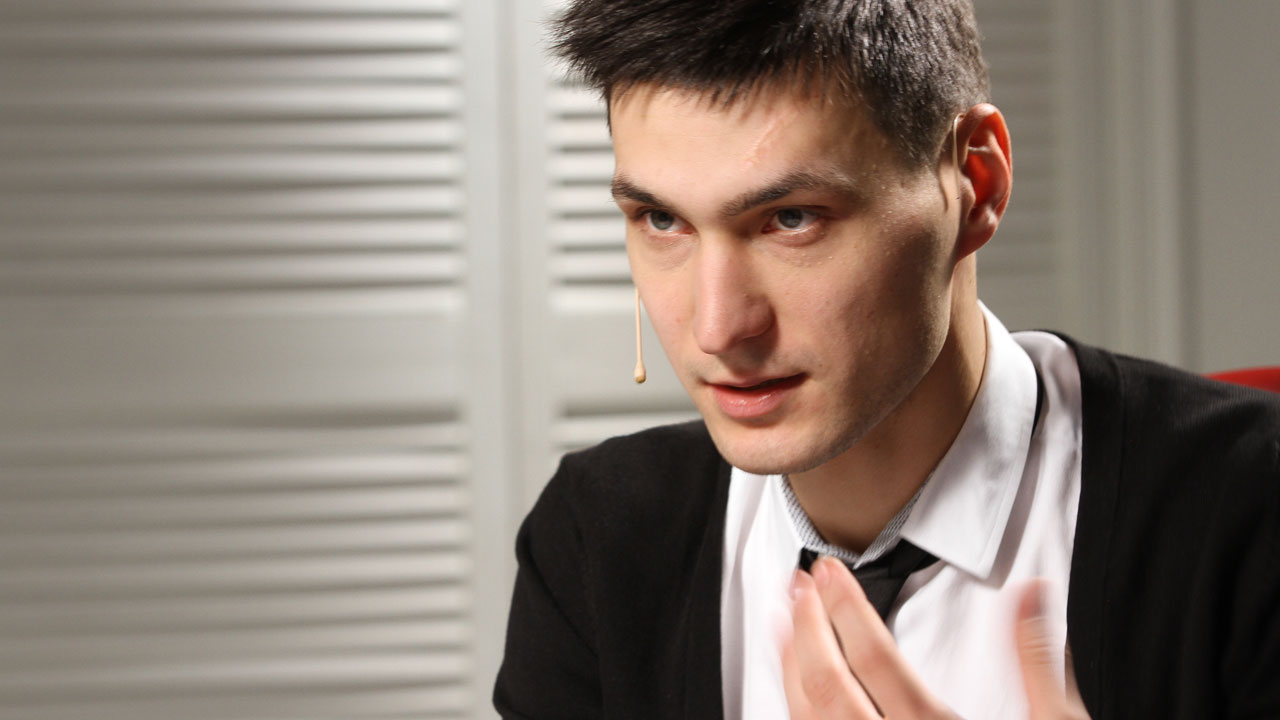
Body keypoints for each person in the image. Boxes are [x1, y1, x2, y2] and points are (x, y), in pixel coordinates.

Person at [494, 1, 1280, 718]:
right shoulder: (596, 538)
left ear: (975, 182)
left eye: (791, 219)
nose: (718, 327)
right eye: (661, 220)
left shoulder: (1253, 508)